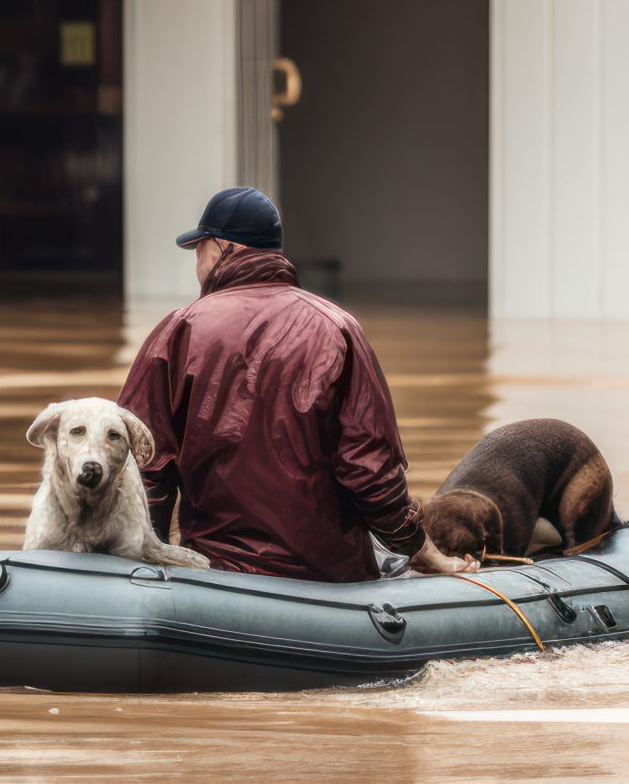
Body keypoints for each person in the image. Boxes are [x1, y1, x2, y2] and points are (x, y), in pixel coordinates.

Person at [118, 186, 471, 583]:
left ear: (224, 248)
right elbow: (370, 469)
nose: (197, 263)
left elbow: (143, 464)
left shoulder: (178, 330)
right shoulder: (339, 328)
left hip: (214, 573)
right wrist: (418, 547)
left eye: (199, 250)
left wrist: (146, 568)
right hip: (329, 575)